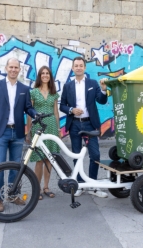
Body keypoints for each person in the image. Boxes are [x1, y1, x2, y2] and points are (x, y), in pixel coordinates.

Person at [0, 58, 37, 212]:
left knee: (16, 168)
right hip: (1, 132)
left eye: (16, 67)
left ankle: (13, 195)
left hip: (18, 132)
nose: (14, 70)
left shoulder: (24, 88)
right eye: (11, 67)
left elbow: (28, 108)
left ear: (19, 70)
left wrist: (36, 114)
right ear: (6, 68)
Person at [60, 56, 108, 198]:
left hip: (90, 124)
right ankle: (80, 184)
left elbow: (102, 100)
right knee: (76, 156)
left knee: (95, 155)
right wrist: (71, 110)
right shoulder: (68, 86)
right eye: (76, 65)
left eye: (81, 65)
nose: (79, 68)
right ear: (72, 68)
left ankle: (93, 185)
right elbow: (62, 105)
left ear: (85, 68)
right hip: (74, 124)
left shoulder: (92, 83)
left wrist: (104, 90)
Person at [26, 66, 61, 200]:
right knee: (39, 159)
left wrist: (58, 129)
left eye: (47, 73)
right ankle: (37, 188)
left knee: (49, 158)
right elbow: (30, 113)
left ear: (50, 76)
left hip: (51, 126)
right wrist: (28, 131)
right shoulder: (34, 92)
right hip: (38, 127)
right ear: (39, 76)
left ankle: (46, 187)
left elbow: (56, 112)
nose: (45, 75)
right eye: (43, 73)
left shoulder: (53, 93)